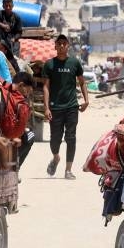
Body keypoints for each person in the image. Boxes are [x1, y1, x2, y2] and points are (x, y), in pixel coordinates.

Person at [42, 34, 89, 179]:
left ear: (68, 46)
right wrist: (46, 108)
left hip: (71, 107)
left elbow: (82, 82)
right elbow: (45, 87)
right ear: (55, 46)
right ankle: (56, 158)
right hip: (55, 108)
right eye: (59, 43)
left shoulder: (74, 63)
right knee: (54, 139)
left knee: (71, 137)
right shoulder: (49, 64)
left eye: (64, 43)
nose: (62, 46)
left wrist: (86, 100)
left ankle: (68, 170)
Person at [0, 0, 23, 72]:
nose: (8, 8)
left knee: (14, 54)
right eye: (6, 6)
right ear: (3, 6)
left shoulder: (16, 17)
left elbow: (19, 32)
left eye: (10, 6)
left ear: (12, 6)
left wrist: (14, 38)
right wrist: (1, 24)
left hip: (10, 41)